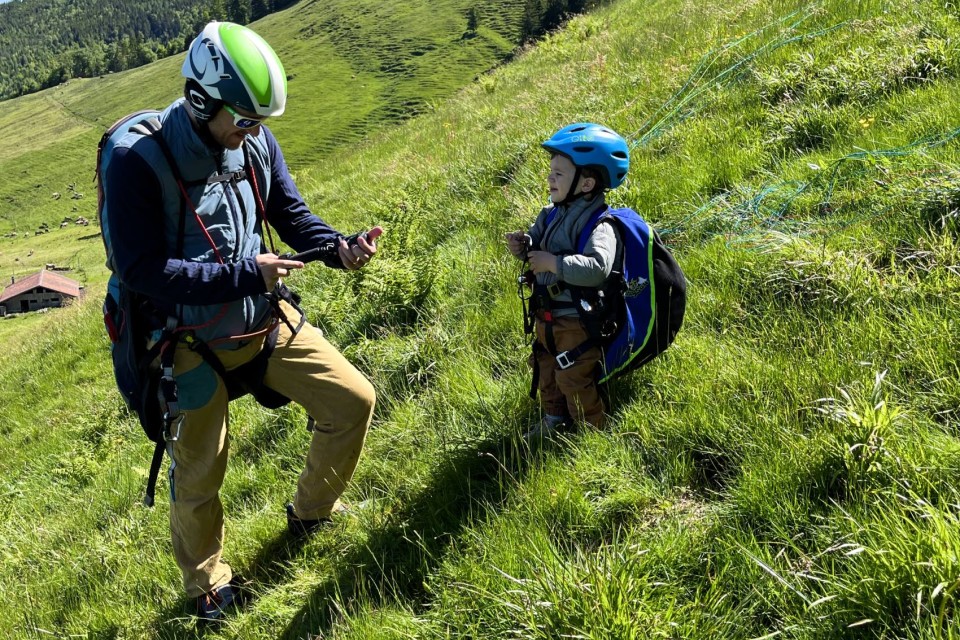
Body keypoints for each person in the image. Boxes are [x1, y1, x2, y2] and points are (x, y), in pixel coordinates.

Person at [105, 22, 380, 620]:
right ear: (202, 100)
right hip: (185, 345)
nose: (253, 133)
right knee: (201, 475)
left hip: (262, 320)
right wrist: (244, 276)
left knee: (352, 401)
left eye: (259, 122)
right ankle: (207, 585)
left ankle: (311, 512)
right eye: (244, 120)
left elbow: (289, 212)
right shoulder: (136, 163)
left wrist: (337, 247)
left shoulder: (253, 143)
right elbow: (142, 271)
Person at [505, 123, 630, 438]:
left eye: (559, 174)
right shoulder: (549, 214)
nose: (549, 178)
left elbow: (598, 267)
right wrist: (523, 247)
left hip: (576, 319)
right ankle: (554, 419)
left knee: (573, 376)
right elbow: (536, 245)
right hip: (545, 314)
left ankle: (592, 434)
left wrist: (555, 264)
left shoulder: (602, 225)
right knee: (545, 367)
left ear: (586, 183)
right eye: (551, 172)